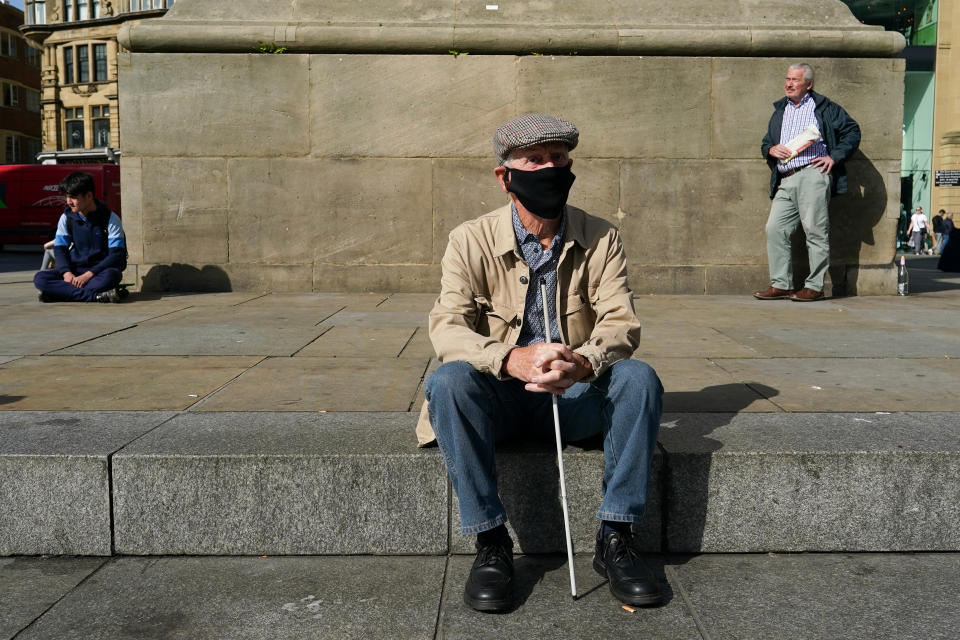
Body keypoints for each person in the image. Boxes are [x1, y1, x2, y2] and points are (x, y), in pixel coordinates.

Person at [419, 113, 663, 612]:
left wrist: (582, 363)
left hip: (573, 395)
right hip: (501, 396)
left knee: (638, 378)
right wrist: (510, 359)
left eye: (558, 158)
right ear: (505, 176)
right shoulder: (470, 239)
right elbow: (447, 327)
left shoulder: (601, 236)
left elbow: (622, 324)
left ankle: (616, 536)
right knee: (448, 382)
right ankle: (490, 543)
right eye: (534, 160)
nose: (549, 168)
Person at [755, 62, 861, 302]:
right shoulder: (780, 110)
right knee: (775, 228)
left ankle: (815, 287)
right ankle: (781, 284)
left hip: (812, 174)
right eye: (787, 78)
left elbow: (852, 131)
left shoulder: (824, 108)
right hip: (786, 177)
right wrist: (771, 149)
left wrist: (833, 157)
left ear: (808, 84)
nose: (788, 83)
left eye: (795, 80)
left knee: (815, 231)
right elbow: (765, 143)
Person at [33, 172, 127, 303]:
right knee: (40, 279)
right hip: (75, 270)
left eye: (72, 197)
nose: (68, 202)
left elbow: (116, 255)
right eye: (66, 197)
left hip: (98, 273)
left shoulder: (111, 219)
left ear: (89, 196)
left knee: (112, 276)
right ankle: (96, 296)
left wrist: (88, 275)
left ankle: (60, 294)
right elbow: (60, 248)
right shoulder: (66, 218)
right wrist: (66, 273)